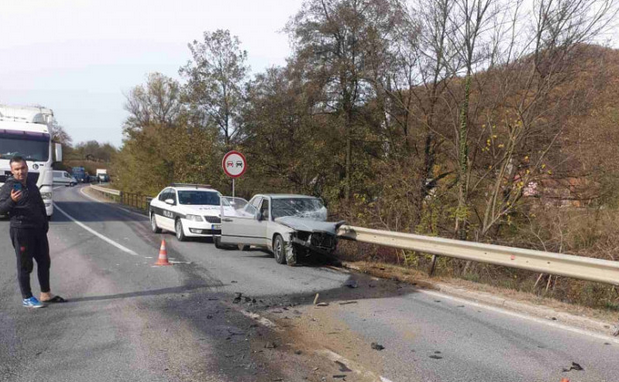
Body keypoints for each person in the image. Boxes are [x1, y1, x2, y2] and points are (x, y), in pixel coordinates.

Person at [0, 155, 66, 308]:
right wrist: (12, 201)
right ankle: (27, 298)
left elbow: (39, 204)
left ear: (27, 168)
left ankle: (45, 294)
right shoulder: (9, 187)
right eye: (16, 169)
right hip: (21, 230)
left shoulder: (31, 184)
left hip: (38, 231)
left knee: (44, 261)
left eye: (22, 168)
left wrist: (44, 223)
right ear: (12, 170)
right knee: (25, 265)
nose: (20, 172)